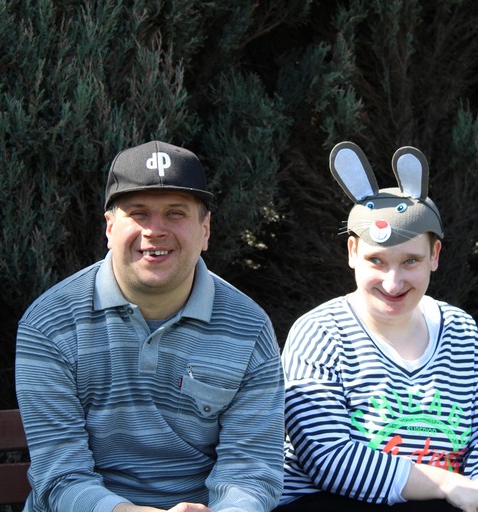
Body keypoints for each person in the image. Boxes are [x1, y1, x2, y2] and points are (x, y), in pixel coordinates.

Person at [15, 140, 285, 512]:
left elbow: (251, 471)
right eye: (139, 213)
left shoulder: (249, 327)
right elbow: (60, 475)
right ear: (110, 228)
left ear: (205, 229)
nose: (154, 230)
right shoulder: (50, 324)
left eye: (175, 213)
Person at [276, 142, 478, 512]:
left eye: (410, 261)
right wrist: (446, 483)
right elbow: (327, 457)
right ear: (352, 252)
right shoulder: (320, 333)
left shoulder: (460, 331)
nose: (392, 282)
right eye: (376, 260)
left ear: (434, 256)